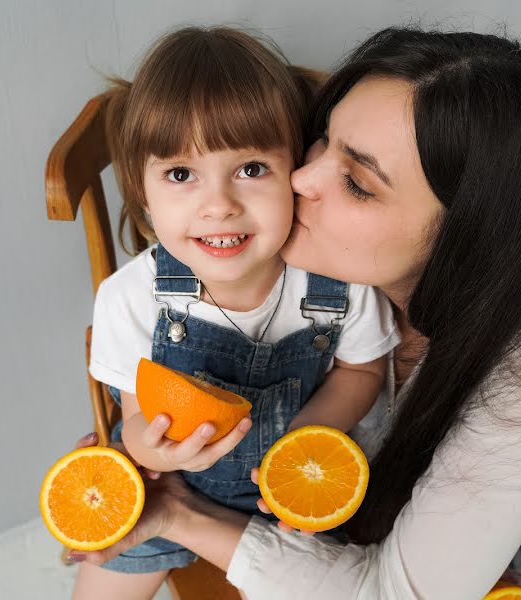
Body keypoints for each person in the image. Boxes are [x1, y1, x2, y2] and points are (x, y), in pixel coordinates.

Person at [72, 27, 521, 599]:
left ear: (465, 235)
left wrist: (178, 512)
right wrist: (140, 458)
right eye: (320, 139)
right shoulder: (243, 258)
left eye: (357, 183)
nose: (299, 180)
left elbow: (396, 590)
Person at [74, 26, 400, 599]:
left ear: (298, 172)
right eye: (181, 175)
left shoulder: (339, 281)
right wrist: (151, 449)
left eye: (251, 169)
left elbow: (363, 370)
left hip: (302, 490)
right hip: (178, 486)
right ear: (145, 196)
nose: (219, 204)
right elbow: (135, 416)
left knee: (350, 579)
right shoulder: (133, 298)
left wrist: (303, 438)